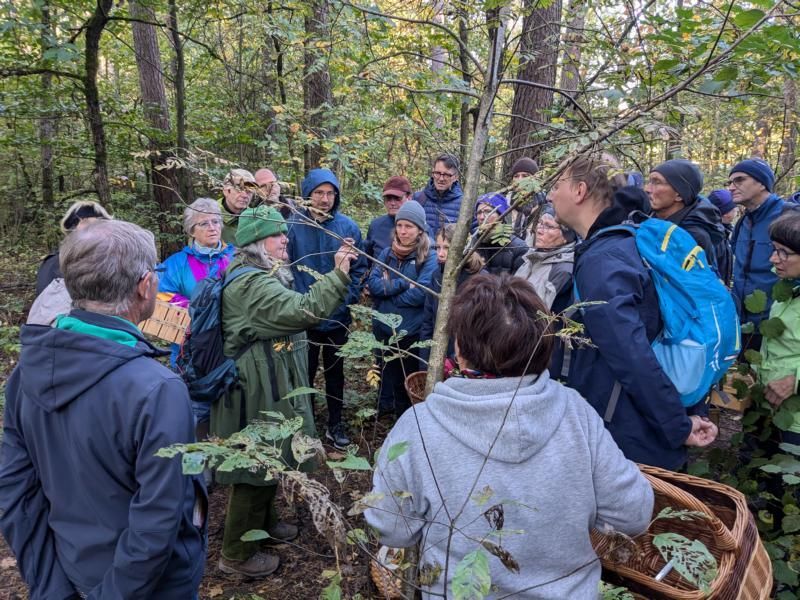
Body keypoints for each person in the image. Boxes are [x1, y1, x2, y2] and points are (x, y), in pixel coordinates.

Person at [365, 274, 654, 599]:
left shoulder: (418, 426)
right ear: (542, 343)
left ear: (459, 349)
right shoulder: (575, 411)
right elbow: (633, 512)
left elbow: (389, 527)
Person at [0, 219, 206, 598]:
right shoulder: (159, 390)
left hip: (70, 572)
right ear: (145, 287)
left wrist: (52, 586)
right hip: (150, 588)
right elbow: (160, 518)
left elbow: (15, 492)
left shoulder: (25, 374)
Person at [214, 205, 358, 577]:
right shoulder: (251, 283)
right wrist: (339, 273)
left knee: (271, 455)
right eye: (277, 235)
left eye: (283, 233)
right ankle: (236, 555)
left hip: (267, 380)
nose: (285, 239)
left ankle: (262, 527)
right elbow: (304, 310)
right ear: (257, 242)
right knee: (252, 465)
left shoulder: (260, 274)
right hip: (253, 387)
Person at [550, 152, 718, 470]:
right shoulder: (628, 241)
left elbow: (630, 353)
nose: (550, 194)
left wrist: (677, 424)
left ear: (580, 191)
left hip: (625, 441)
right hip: (633, 429)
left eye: (558, 183)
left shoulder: (606, 258)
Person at [287, 168, 367, 449]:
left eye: (330, 193)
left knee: (335, 373)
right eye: (319, 193)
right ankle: (306, 427)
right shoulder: (293, 226)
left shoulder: (348, 228)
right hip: (303, 316)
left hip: (337, 318)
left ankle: (335, 424)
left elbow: (359, 269)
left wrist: (347, 298)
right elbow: (285, 267)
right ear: (308, 194)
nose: (324, 199)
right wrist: (295, 301)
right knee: (303, 373)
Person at [158, 197, 235, 436]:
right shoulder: (176, 264)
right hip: (191, 356)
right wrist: (201, 308)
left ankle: (228, 469)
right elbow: (160, 297)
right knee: (192, 419)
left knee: (231, 415)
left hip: (230, 350)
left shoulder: (236, 258)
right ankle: (192, 468)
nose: (212, 227)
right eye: (204, 223)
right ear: (192, 230)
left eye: (215, 221)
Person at [368, 200, 438, 417]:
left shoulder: (428, 255)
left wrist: (389, 296)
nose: (403, 231)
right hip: (384, 332)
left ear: (419, 229)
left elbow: (422, 292)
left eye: (408, 226)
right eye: (399, 225)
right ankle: (394, 424)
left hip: (410, 334)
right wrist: (402, 284)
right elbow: (373, 284)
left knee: (410, 385)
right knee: (391, 381)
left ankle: (411, 425)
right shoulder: (387, 253)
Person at [729, 159, 788, 349]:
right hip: (744, 326)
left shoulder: (790, 217)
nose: (731, 187)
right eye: (729, 182)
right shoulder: (743, 222)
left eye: (739, 180)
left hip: (781, 327)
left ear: (762, 183)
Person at [754, 212, 800, 443]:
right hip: (768, 404)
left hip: (796, 421)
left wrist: (795, 380)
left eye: (784, 252)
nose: (773, 258)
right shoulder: (787, 287)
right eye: (774, 249)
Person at [645, 159, 727, 276]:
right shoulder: (645, 221)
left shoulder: (694, 236)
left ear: (679, 194)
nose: (647, 189)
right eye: (649, 181)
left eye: (657, 182)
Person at [419, 223, 485, 367]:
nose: (440, 253)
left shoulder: (480, 280)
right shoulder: (437, 275)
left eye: (447, 248)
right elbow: (428, 322)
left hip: (467, 361)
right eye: (438, 247)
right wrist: (424, 362)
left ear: (464, 248)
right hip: (438, 356)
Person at [35, 200, 111, 295]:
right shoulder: (55, 264)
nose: (95, 232)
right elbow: (48, 304)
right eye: (88, 226)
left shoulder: (111, 260)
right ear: (72, 230)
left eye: (100, 226)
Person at [514, 203, 577, 314]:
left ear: (565, 237)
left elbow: (540, 318)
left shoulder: (562, 270)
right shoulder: (532, 257)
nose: (539, 230)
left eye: (549, 226)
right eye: (540, 223)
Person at [469, 192, 528, 275]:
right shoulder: (471, 242)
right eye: (479, 213)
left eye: (488, 211)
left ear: (501, 216)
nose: (482, 217)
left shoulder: (518, 248)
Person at [414, 153, 463, 237]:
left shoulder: (464, 204)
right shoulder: (418, 199)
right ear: (433, 173)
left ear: (455, 177)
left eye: (447, 175)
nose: (441, 178)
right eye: (437, 173)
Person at [365, 175, 413, 258]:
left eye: (397, 198)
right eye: (388, 198)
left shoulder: (420, 227)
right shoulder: (376, 226)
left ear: (409, 198)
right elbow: (366, 259)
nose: (392, 203)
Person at [507, 156, 547, 241]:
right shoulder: (505, 203)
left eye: (525, 176)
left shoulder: (545, 203)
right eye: (516, 176)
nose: (520, 180)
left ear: (535, 179)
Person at [708, 189, 737, 287]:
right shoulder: (715, 238)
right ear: (726, 213)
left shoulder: (723, 232)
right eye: (734, 208)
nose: (737, 210)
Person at [220, 168, 257, 244]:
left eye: (249, 191)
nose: (244, 195)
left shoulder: (256, 218)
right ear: (226, 191)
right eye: (239, 189)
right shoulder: (211, 216)